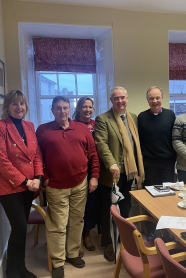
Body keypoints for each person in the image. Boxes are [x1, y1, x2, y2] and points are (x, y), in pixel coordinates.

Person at [36, 96, 99, 278]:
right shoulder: (43, 130)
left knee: (77, 220)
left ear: (70, 109)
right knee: (58, 224)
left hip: (80, 183)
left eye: (65, 108)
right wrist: (44, 178)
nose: (62, 111)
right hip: (56, 186)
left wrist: (94, 176)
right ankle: (57, 261)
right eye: (58, 108)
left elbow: (93, 154)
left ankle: (72, 253)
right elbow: (37, 156)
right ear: (52, 110)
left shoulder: (81, 128)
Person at [0, 90, 43, 278]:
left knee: (21, 227)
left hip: (29, 185)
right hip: (8, 185)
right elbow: (1, 160)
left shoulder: (29, 125)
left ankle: (20, 267)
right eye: (15, 104)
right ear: (7, 107)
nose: (19, 107)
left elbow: (35, 154)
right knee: (19, 226)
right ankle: (12, 270)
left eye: (22, 104)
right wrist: (25, 181)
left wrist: (38, 177)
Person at [94, 86, 144, 262]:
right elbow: (101, 144)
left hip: (129, 172)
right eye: (116, 98)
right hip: (112, 174)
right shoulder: (102, 119)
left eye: (122, 97)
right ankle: (108, 243)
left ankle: (125, 239)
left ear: (127, 98)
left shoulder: (134, 118)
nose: (120, 101)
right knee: (109, 209)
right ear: (111, 100)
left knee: (126, 206)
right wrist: (111, 163)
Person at [138, 86, 176, 239]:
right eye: (151, 98)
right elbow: (138, 141)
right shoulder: (141, 117)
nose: (155, 101)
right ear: (147, 100)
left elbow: (175, 139)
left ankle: (166, 231)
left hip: (167, 163)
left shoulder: (170, 115)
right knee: (151, 198)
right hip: (149, 164)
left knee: (167, 198)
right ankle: (151, 231)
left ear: (162, 98)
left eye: (157, 98)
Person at [72, 97, 97, 256]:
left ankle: (87, 234)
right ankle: (76, 238)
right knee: (76, 206)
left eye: (90, 107)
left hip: (93, 167)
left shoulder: (96, 124)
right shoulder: (72, 124)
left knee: (90, 204)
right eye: (84, 107)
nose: (87, 110)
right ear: (79, 109)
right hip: (76, 168)